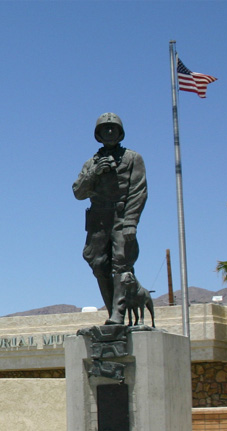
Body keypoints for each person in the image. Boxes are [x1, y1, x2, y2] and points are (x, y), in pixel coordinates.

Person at [73, 113, 147, 325]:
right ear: (98, 134)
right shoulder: (91, 163)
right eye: (104, 129)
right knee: (98, 264)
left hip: (121, 216)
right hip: (98, 220)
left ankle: (118, 314)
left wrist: (131, 222)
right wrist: (95, 173)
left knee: (121, 264)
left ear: (120, 132)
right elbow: (78, 192)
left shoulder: (133, 159)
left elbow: (139, 192)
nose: (109, 132)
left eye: (113, 128)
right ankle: (113, 311)